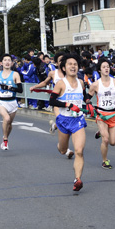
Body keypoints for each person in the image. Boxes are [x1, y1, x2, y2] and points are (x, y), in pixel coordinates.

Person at [48, 53, 87, 191]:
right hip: (64, 120)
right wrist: (67, 105)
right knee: (63, 149)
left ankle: (77, 179)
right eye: (70, 64)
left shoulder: (81, 83)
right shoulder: (60, 84)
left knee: (79, 151)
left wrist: (89, 105)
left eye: (75, 64)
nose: (73, 66)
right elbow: (51, 101)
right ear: (64, 68)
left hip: (78, 120)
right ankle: (60, 144)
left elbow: (85, 97)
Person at [29, 51, 76, 159]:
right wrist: (34, 87)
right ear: (56, 63)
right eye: (60, 61)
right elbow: (45, 83)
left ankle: (55, 127)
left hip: (69, 103)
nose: (63, 62)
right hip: (57, 103)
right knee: (63, 122)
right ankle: (67, 150)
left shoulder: (71, 73)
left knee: (66, 125)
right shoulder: (52, 73)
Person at [86, 57, 115, 169]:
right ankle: (104, 161)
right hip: (101, 115)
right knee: (106, 139)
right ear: (99, 70)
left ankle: (100, 132)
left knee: (113, 142)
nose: (106, 69)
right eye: (104, 67)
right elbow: (88, 97)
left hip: (113, 115)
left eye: (108, 66)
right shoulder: (95, 85)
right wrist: (89, 105)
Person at [0, 54, 23, 150]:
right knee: (6, 118)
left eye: (9, 60)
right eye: (5, 60)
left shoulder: (15, 74)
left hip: (12, 102)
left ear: (12, 63)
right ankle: (5, 140)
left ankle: (5, 138)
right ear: (2, 63)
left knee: (9, 124)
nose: (7, 62)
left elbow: (20, 90)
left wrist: (10, 88)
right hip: (1, 102)